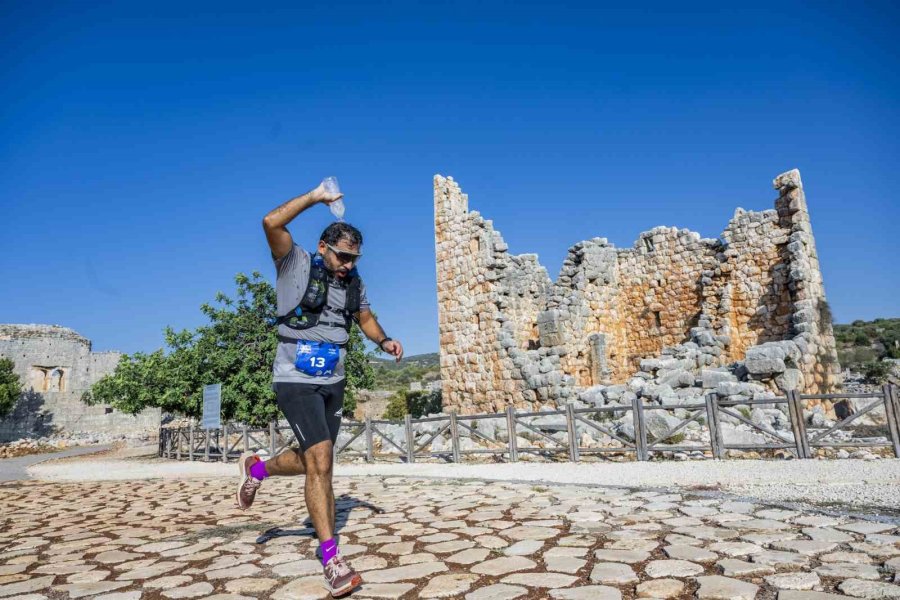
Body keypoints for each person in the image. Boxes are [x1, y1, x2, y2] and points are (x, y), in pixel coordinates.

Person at [236, 179, 403, 597]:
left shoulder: (353, 282)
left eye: (354, 258)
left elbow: (364, 318)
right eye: (343, 256)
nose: (348, 264)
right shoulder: (295, 264)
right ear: (324, 247)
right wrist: (316, 197)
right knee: (322, 460)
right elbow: (270, 221)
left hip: (334, 378)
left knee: (315, 458)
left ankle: (257, 469)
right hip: (294, 376)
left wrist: (383, 340)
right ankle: (331, 558)